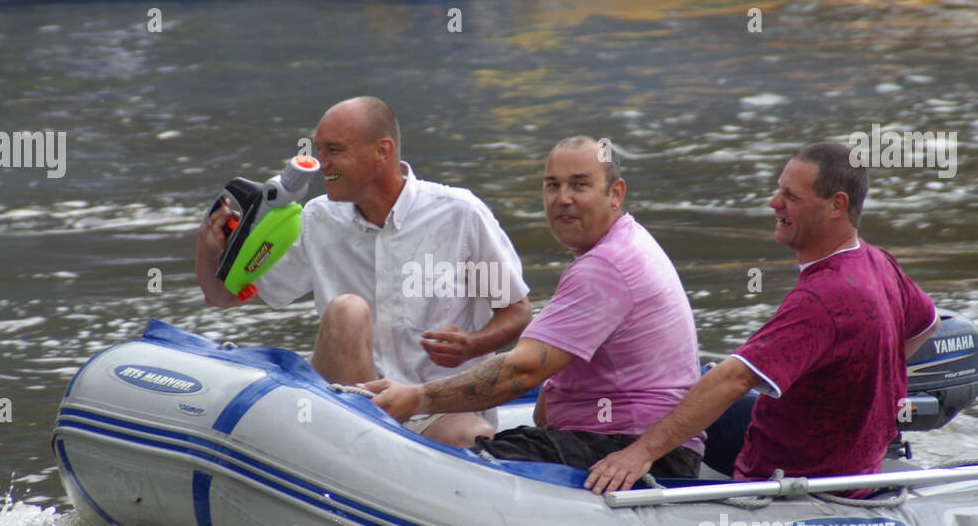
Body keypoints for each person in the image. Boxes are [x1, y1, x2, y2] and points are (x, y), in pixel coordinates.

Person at [584, 141, 939, 495]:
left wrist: (640, 452)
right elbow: (927, 324)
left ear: (837, 205)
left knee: (707, 386)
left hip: (792, 475)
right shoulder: (877, 261)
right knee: (701, 380)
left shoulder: (823, 297)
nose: (774, 203)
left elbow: (736, 378)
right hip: (837, 452)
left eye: (791, 196)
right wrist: (859, 390)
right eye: (778, 190)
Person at [195, 96, 531, 448]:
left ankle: (375, 455)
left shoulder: (461, 214)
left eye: (334, 151)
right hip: (344, 404)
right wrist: (209, 245)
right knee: (347, 311)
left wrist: (471, 346)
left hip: (438, 408)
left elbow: (518, 312)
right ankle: (363, 445)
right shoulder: (316, 218)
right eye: (318, 150)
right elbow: (223, 296)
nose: (320, 165)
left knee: (474, 437)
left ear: (382, 151)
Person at [366, 136, 705, 477]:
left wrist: (418, 397)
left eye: (580, 185)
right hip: (625, 439)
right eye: (552, 186)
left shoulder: (605, 267)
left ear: (615, 193)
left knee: (455, 466)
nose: (563, 199)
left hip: (633, 449)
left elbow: (521, 371)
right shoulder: (624, 242)